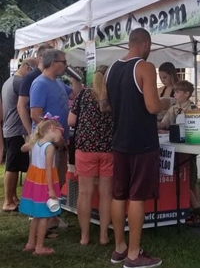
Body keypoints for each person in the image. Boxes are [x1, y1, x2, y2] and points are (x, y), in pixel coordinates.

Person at [106, 28, 170, 268]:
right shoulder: (145, 67)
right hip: (142, 141)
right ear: (146, 44)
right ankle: (134, 255)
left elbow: (108, 103)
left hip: (119, 139)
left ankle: (119, 247)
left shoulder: (112, 69)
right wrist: (168, 101)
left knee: (119, 193)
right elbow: (153, 106)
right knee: (137, 196)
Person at [68, 65, 114, 246]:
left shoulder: (84, 95)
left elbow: (71, 121)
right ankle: (103, 235)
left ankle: (84, 236)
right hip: (109, 149)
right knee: (106, 194)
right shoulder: (114, 96)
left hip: (85, 149)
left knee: (85, 193)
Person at [29, 49, 82, 189]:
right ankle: (42, 208)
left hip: (60, 140)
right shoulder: (40, 84)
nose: (66, 65)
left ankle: (52, 206)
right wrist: (53, 134)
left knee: (58, 177)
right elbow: (35, 114)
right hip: (47, 141)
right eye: (64, 62)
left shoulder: (58, 82)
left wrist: (76, 79)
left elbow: (75, 95)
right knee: (45, 180)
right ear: (53, 63)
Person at [157, 80, 200, 227]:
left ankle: (197, 210)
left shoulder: (192, 109)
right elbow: (164, 123)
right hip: (175, 147)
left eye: (178, 92)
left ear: (187, 94)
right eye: (175, 92)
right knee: (183, 180)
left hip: (188, 148)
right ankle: (194, 209)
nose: (175, 94)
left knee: (191, 180)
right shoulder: (173, 108)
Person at [19, 117, 64, 255]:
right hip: (44, 184)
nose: (61, 135)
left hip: (35, 183)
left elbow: (22, 148)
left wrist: (31, 140)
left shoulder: (37, 143)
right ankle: (39, 247)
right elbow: (48, 170)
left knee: (36, 215)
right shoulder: (49, 147)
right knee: (44, 215)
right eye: (60, 132)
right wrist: (51, 190)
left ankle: (30, 243)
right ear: (51, 129)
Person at [1, 58, 38, 212]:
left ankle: (13, 197)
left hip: (11, 128)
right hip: (15, 129)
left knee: (13, 165)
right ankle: (8, 201)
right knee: (12, 166)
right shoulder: (19, 82)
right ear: (28, 68)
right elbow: (25, 104)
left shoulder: (9, 81)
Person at [17, 44, 52, 138]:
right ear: (40, 58)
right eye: (49, 56)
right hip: (38, 132)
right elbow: (21, 106)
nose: (52, 60)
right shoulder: (31, 77)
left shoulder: (50, 77)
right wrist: (30, 132)